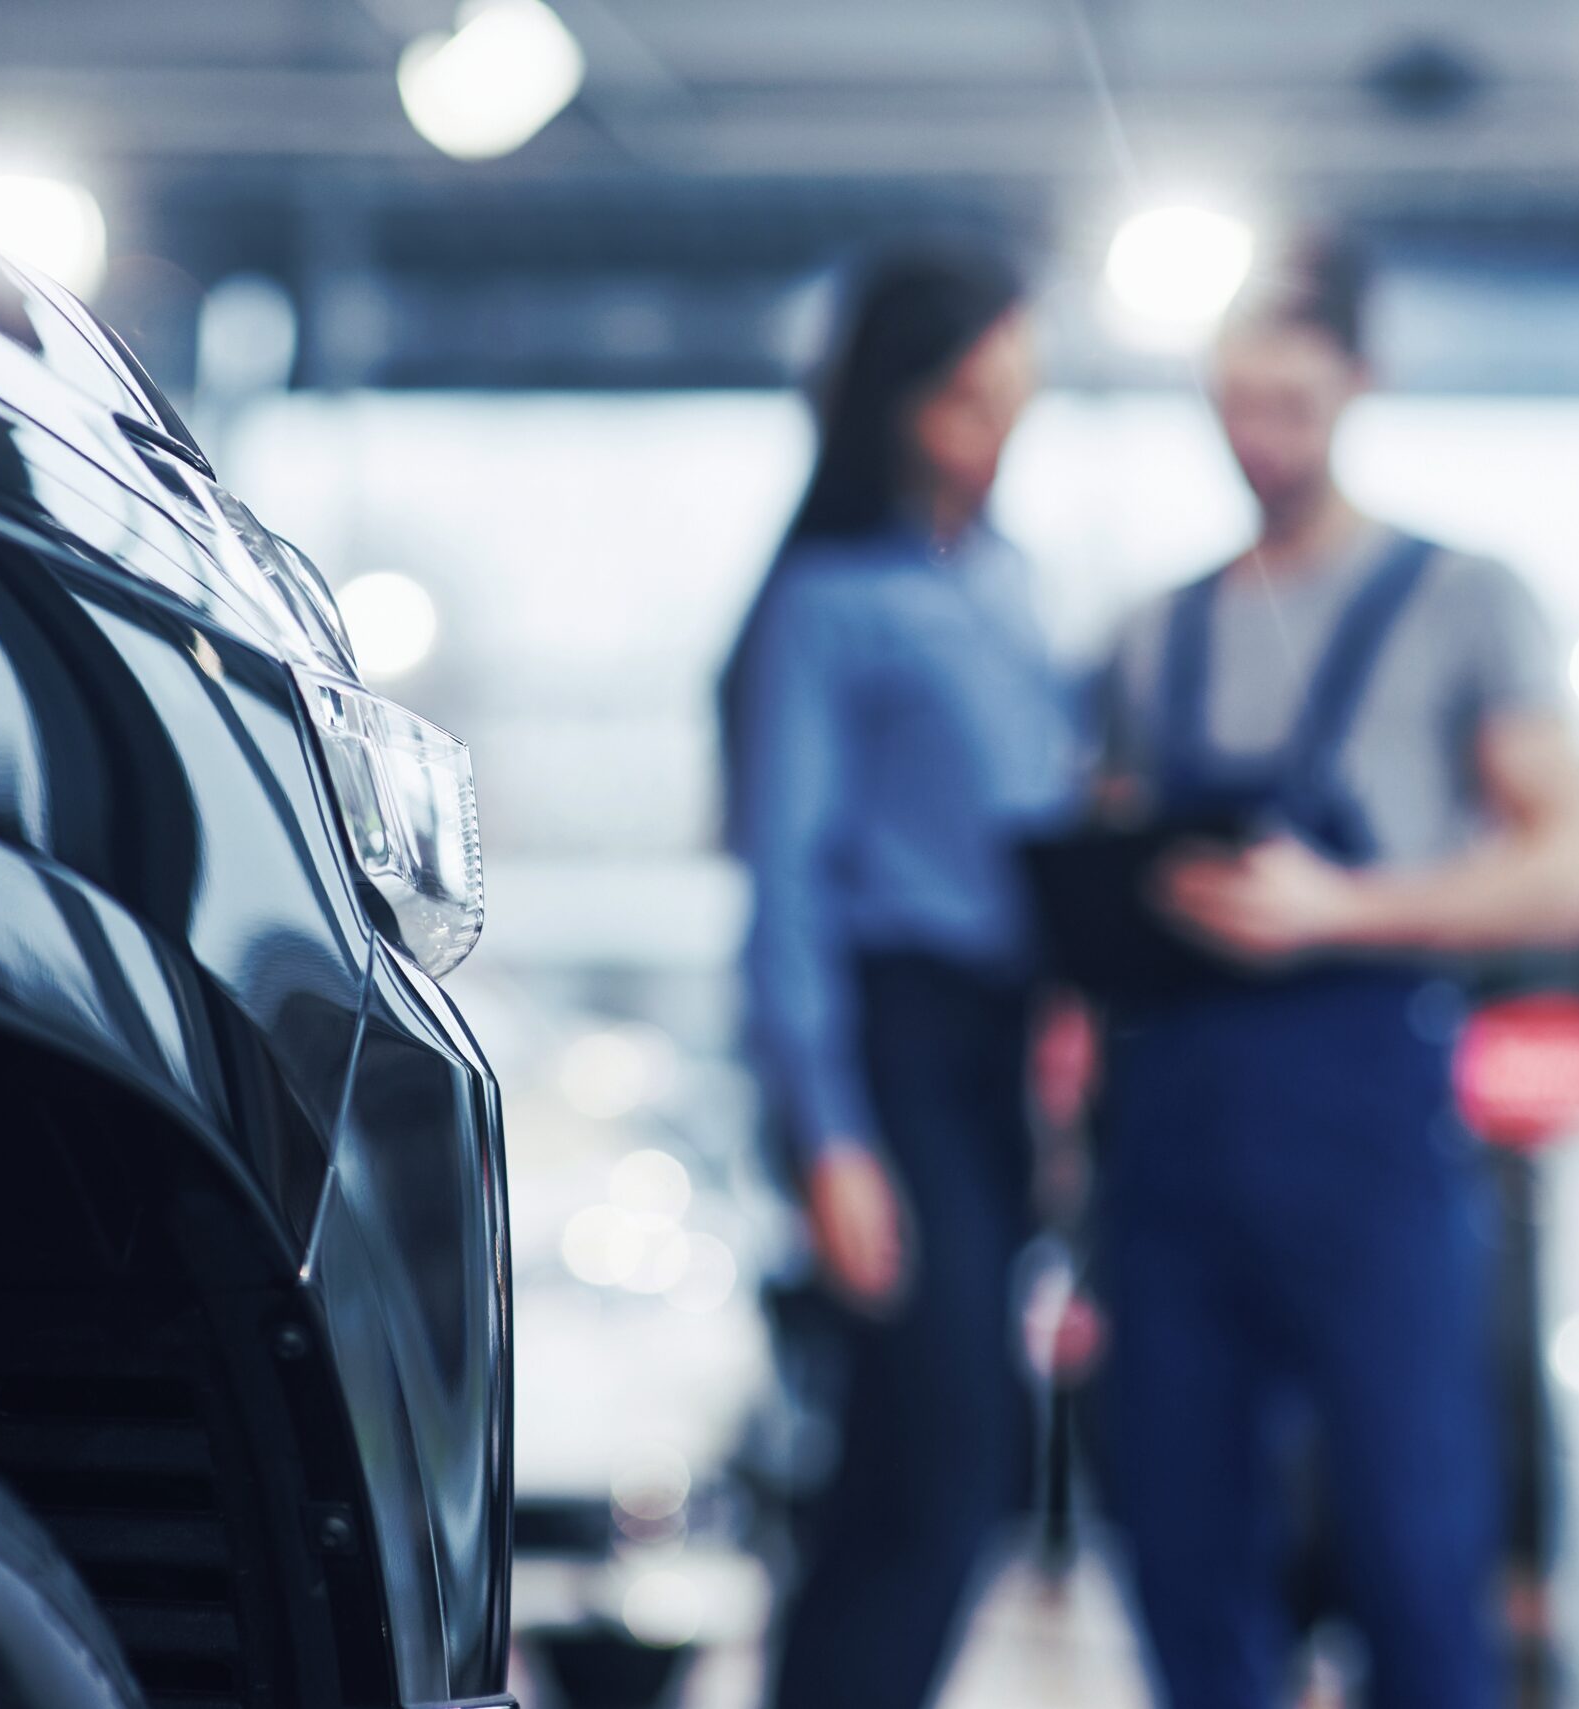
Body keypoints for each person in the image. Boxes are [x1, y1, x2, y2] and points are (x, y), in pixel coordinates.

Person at [1085, 236, 1579, 1709]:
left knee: (1413, 1544)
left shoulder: (1463, 601)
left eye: (1292, 404)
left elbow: (1567, 868)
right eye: (1235, 403)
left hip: (1366, 1124)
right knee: (1181, 1546)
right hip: (1173, 1134)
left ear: (1360, 383)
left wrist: (1340, 910)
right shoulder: (1151, 637)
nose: (1260, 437)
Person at [721, 250, 1072, 1709]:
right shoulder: (824, 605)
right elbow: (785, 884)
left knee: (909, 1473)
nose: (997, 433)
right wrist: (832, 1136)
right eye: (968, 401)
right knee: (944, 1463)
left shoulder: (1006, 586)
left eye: (1015, 400)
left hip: (997, 1052)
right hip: (893, 1042)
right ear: (896, 402)